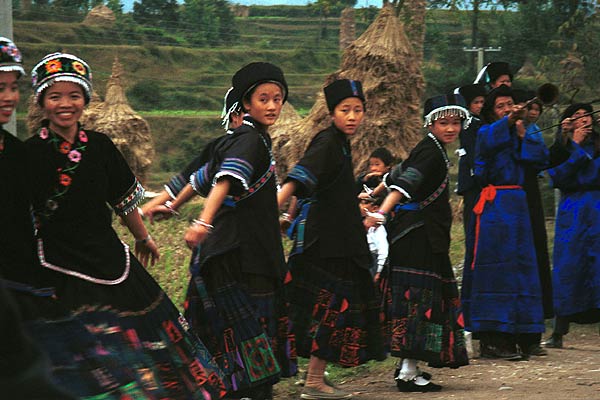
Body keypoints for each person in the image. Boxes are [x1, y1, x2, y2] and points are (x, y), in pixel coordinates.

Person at [25, 52, 227, 399]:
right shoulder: (27, 155)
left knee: (143, 344)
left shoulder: (101, 147)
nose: (65, 104)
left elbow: (123, 201)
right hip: (55, 264)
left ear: (85, 100)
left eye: (74, 95)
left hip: (109, 261)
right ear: (41, 102)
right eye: (55, 96)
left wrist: (143, 237)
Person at [182, 62, 296, 400]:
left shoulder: (251, 138)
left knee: (231, 337)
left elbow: (197, 179)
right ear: (246, 105)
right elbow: (225, 179)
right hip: (242, 254)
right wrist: (202, 221)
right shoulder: (249, 139)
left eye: (278, 99)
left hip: (240, 249)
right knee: (249, 334)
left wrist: (166, 205)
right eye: (264, 99)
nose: (273, 106)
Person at [278, 79, 384, 400]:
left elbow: (333, 190)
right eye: (345, 110)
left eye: (358, 110)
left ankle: (313, 376)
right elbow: (301, 176)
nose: (352, 116)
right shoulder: (326, 141)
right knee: (329, 308)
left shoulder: (341, 143)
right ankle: (313, 381)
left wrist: (360, 213)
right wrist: (277, 207)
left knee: (323, 308)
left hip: (338, 240)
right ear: (332, 113)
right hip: (327, 245)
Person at [366, 93, 470, 392]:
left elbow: (396, 175)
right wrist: (381, 213)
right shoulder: (431, 152)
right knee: (417, 303)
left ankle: (407, 368)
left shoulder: (430, 148)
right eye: (443, 122)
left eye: (455, 123)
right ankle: (408, 373)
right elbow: (406, 181)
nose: (451, 128)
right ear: (430, 124)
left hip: (416, 236)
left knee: (414, 302)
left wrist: (374, 195)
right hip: (419, 237)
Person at [461, 85, 546, 360]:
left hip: (519, 205)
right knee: (497, 268)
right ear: (491, 111)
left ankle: (526, 335)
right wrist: (509, 123)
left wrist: (522, 135)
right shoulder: (485, 132)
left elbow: (540, 160)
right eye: (501, 105)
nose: (508, 109)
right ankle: (494, 339)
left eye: (511, 104)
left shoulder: (520, 132)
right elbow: (486, 148)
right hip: (496, 205)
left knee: (523, 268)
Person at [141, 86, 245, 222]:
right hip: (231, 222)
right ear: (235, 116)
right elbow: (192, 179)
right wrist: (142, 212)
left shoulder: (264, 143)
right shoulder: (224, 145)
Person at [544, 103, 600, 348]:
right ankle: (558, 331)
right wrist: (574, 146)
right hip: (573, 211)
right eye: (576, 116)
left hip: (597, 207)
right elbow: (557, 177)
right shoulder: (561, 148)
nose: (583, 119)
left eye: (586, 115)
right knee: (568, 266)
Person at [456, 83, 486, 234]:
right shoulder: (469, 124)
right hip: (472, 177)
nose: (480, 105)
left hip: (479, 176)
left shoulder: (481, 122)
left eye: (482, 102)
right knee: (472, 219)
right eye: (476, 102)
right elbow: (473, 152)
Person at [359, 195, 388, 282]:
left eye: (364, 203)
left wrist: (378, 271)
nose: (360, 206)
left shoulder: (378, 228)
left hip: (371, 260)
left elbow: (383, 249)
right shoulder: (360, 223)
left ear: (375, 208)